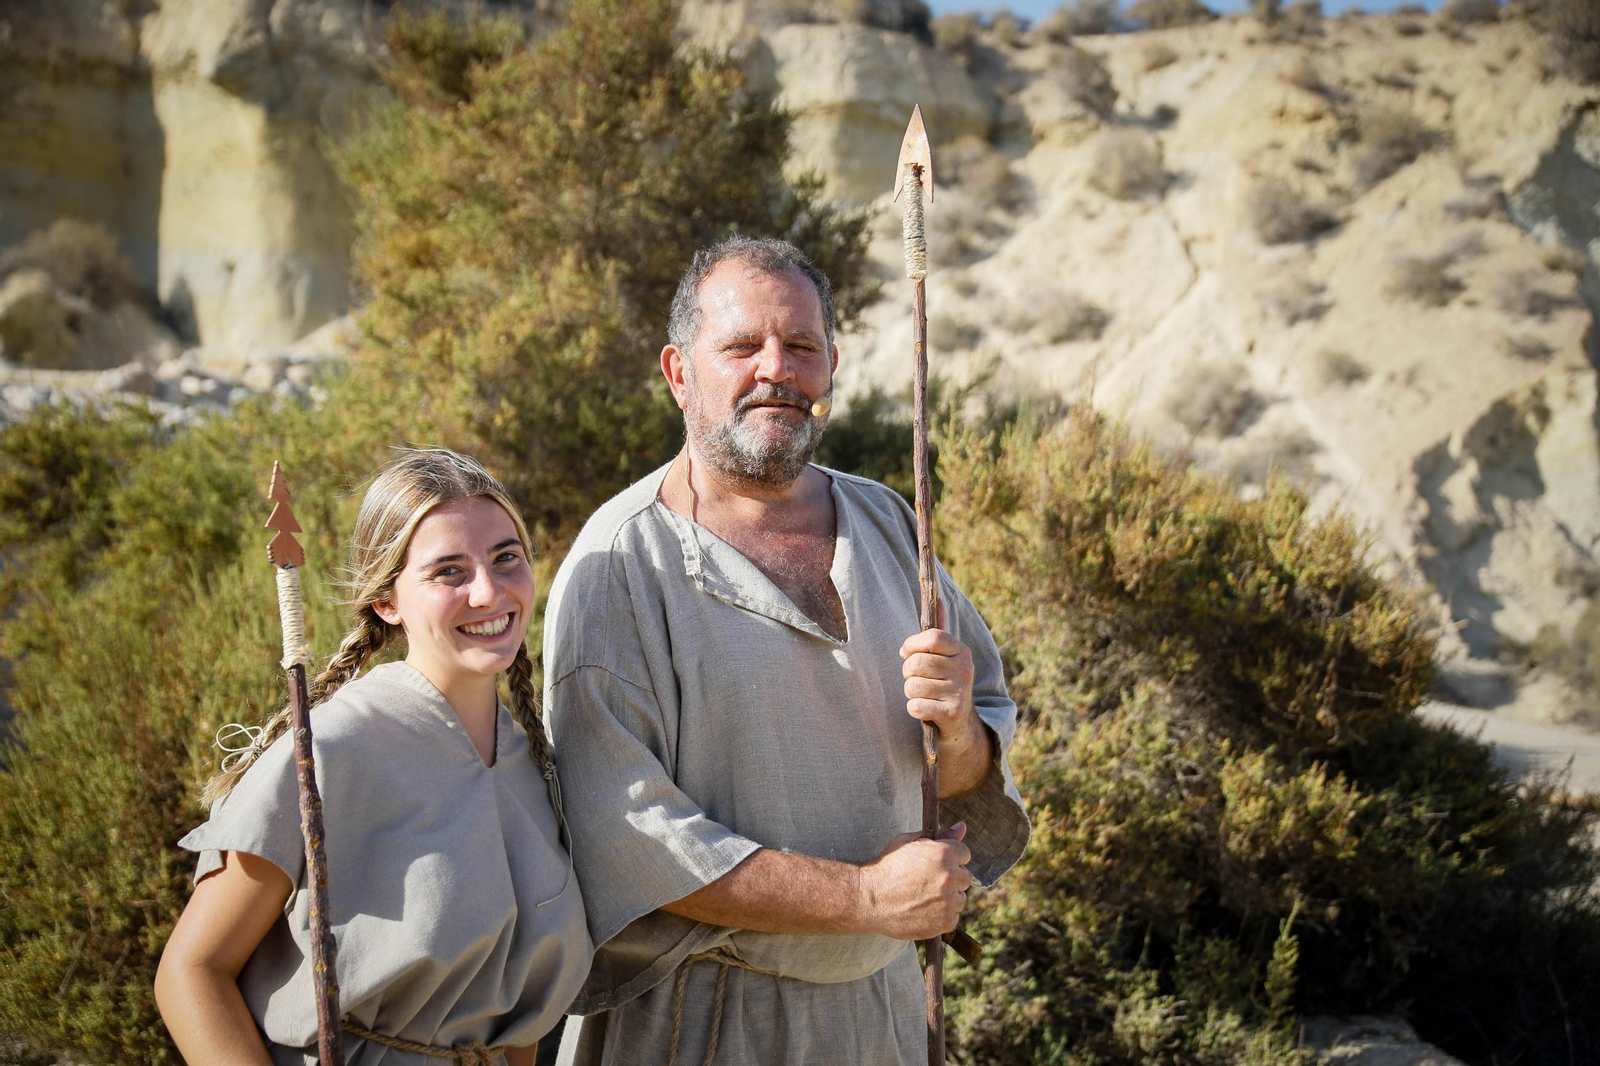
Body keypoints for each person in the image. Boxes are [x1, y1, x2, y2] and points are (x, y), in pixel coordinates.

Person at [543, 237, 1030, 1066]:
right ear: (679, 372)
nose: (777, 369)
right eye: (741, 346)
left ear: (831, 366)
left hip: (882, 1015)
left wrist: (959, 735)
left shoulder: (887, 525)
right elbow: (626, 832)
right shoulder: (622, 566)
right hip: (699, 1020)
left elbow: (969, 770)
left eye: (802, 346)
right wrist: (867, 895)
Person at [156, 449, 591, 1065]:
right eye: (449, 571)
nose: (489, 592)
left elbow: (511, 1023)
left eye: (506, 558)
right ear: (387, 600)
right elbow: (191, 972)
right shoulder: (330, 751)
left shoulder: (536, 764)